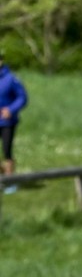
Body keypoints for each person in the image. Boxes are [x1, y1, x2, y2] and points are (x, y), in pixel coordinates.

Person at [0, 51, 27, 194]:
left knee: (6, 150)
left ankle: (10, 182)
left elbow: (22, 98)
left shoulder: (11, 79)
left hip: (7, 122)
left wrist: (11, 109)